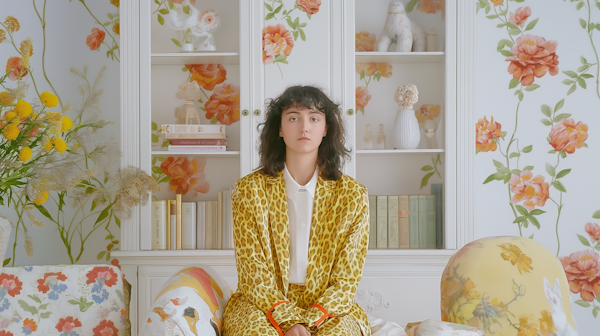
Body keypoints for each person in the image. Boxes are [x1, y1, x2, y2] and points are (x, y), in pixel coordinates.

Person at [223, 86, 370, 336]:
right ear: (279, 128)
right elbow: (252, 272)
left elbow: (347, 280)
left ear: (326, 129)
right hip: (261, 304)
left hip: (330, 309)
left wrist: (310, 321)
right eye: (293, 117)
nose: (304, 127)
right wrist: (287, 320)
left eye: (314, 118)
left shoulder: (353, 195)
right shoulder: (248, 190)